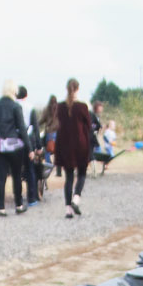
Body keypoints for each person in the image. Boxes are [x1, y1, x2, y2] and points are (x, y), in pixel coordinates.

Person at [0, 79, 29, 216]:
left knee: (1, 178)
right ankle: (18, 204)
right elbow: (22, 128)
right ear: (14, 91)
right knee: (17, 176)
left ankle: (1, 208)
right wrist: (29, 147)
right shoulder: (16, 107)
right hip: (14, 146)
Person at [55, 78, 92, 219]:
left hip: (65, 146)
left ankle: (68, 210)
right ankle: (76, 198)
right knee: (82, 174)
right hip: (80, 145)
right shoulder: (82, 107)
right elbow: (88, 126)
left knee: (69, 177)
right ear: (77, 89)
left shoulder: (60, 107)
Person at [16, 85, 42, 205]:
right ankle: (31, 198)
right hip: (28, 141)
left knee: (16, 171)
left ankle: (18, 198)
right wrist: (38, 146)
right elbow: (35, 128)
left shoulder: (13, 106)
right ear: (26, 95)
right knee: (30, 169)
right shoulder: (30, 107)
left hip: (15, 140)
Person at [39, 94, 59, 176]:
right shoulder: (59, 109)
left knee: (48, 150)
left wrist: (35, 124)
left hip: (50, 132)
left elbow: (42, 120)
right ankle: (59, 169)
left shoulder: (47, 109)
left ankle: (48, 166)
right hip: (59, 132)